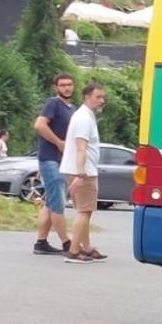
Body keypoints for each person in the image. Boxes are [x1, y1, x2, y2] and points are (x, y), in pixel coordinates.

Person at [60, 81, 107, 264]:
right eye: (98, 97)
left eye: (103, 97)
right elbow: (81, 148)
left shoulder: (85, 116)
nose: (102, 101)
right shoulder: (83, 119)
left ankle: (86, 248)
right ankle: (73, 251)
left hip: (82, 170)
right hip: (84, 172)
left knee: (84, 210)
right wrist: (80, 175)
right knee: (85, 211)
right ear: (87, 97)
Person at [32, 73, 77, 256]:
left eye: (69, 84)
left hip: (62, 160)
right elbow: (39, 125)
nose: (66, 88)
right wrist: (58, 142)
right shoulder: (53, 103)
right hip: (51, 159)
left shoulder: (72, 108)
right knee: (58, 202)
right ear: (56, 87)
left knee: (50, 203)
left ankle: (41, 243)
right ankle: (68, 244)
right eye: (63, 85)